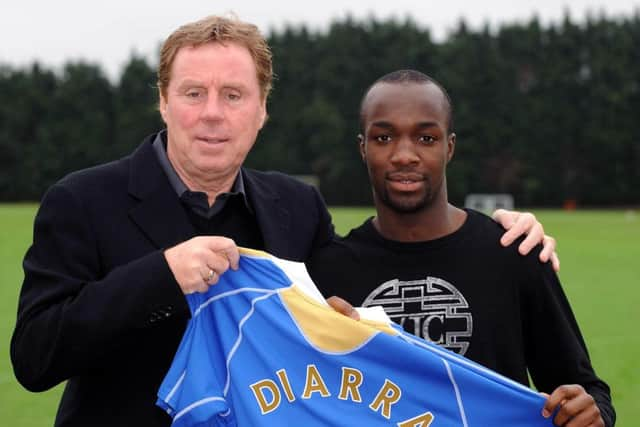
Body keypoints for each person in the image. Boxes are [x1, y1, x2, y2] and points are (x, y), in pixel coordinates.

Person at [11, 16, 555, 427]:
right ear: (163, 102)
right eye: (193, 93)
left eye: (233, 95)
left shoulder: (296, 207)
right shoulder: (82, 200)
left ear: (262, 108)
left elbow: (367, 289)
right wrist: (162, 276)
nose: (212, 114)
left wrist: (499, 233)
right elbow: (35, 357)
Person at [307, 70, 615, 427]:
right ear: (363, 147)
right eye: (384, 137)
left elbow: (585, 389)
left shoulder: (513, 253)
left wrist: (593, 414)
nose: (404, 154)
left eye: (425, 137)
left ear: (449, 146)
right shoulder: (326, 272)